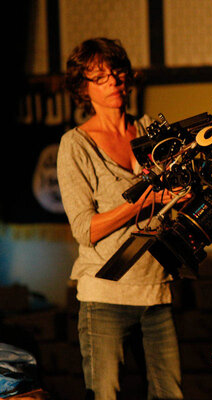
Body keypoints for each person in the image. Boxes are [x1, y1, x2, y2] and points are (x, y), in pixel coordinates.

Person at [57, 38, 185, 400]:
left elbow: (175, 196)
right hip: (105, 295)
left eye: (117, 73)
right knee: (106, 395)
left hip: (156, 290)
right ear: (84, 88)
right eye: (100, 77)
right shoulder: (77, 144)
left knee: (170, 394)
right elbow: (86, 230)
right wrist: (145, 202)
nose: (113, 81)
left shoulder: (150, 131)